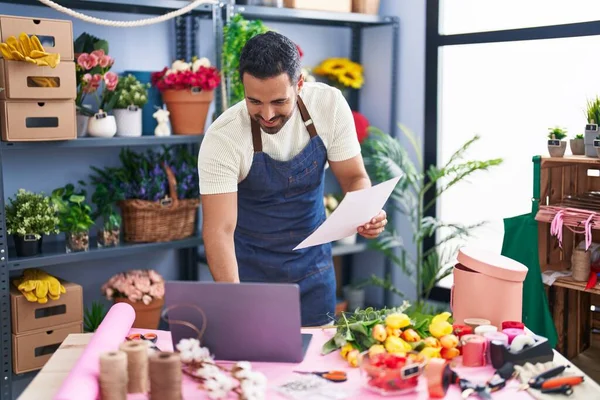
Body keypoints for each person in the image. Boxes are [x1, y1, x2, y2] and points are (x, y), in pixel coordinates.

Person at [198, 31, 387, 327]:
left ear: (300, 84)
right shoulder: (224, 138)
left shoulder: (329, 106)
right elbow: (218, 231)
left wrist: (366, 212)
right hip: (248, 277)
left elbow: (354, 178)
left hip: (314, 273)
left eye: (278, 101)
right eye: (254, 101)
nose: (268, 114)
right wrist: (233, 300)